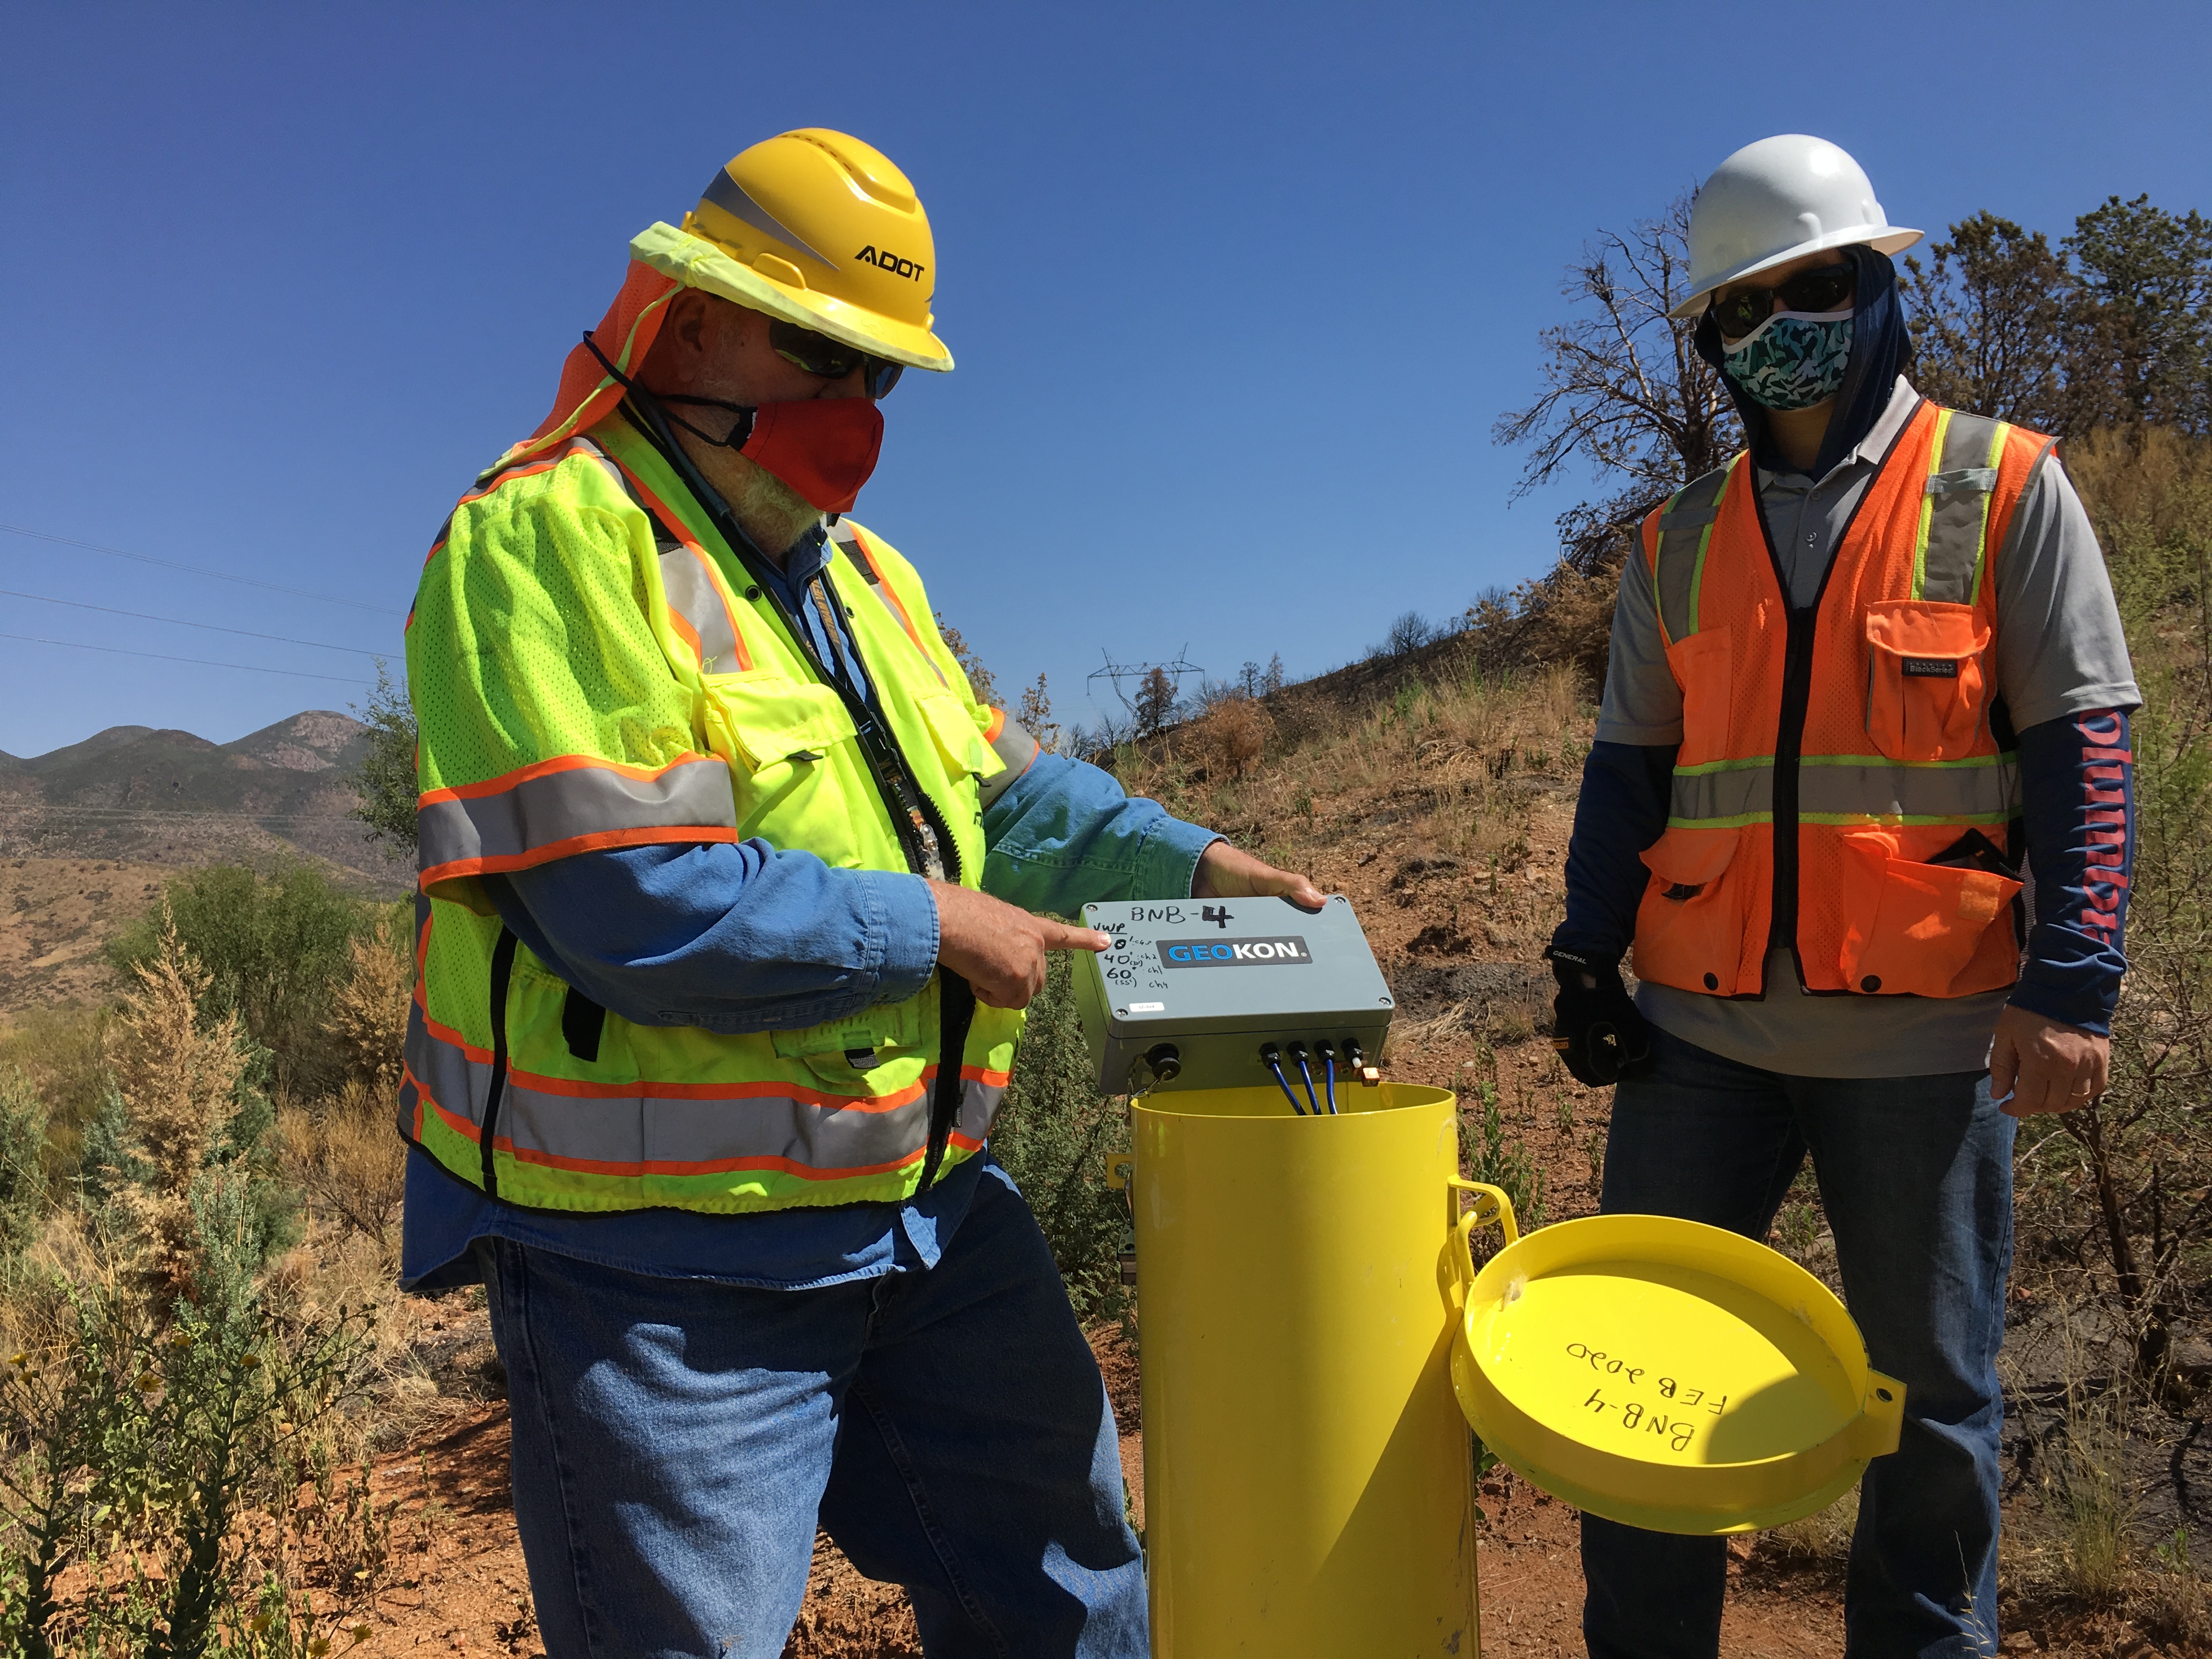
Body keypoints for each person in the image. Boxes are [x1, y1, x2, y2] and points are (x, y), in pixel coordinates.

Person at [398, 128, 1322, 1658]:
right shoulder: (546, 539)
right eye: (821, 350)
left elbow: (1008, 796)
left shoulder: (869, 582)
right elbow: (627, 900)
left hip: (923, 1216)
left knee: (1073, 1592)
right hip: (662, 1269)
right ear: (687, 322)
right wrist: (937, 928)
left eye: (879, 374)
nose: (854, 408)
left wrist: (1195, 862)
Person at [1546, 134, 2138, 1658]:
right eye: (1734, 314)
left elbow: (2086, 748)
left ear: (1877, 282)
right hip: (1701, 1040)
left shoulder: (2004, 487)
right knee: (1643, 1377)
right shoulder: (1676, 543)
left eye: (1803, 290)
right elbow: (1630, 774)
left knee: (1931, 1405)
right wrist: (1584, 953)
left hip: (1930, 1044)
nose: (1769, 333)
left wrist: (2072, 985)